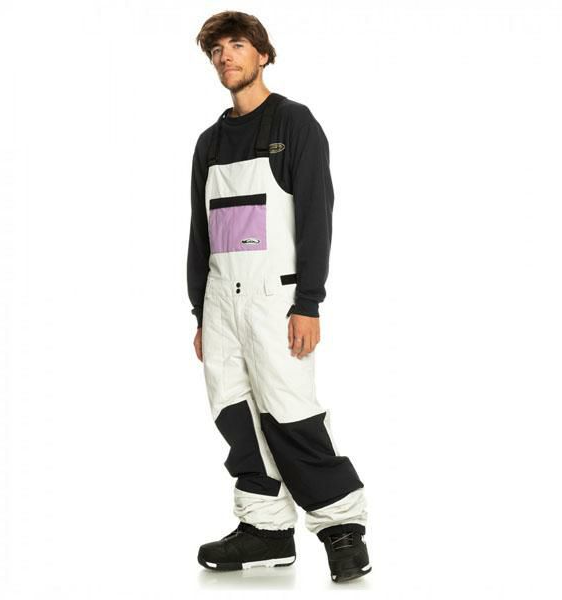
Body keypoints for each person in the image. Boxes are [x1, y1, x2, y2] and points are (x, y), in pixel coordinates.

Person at [187, 11, 371, 583]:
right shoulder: (208, 143)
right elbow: (200, 234)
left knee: (290, 414)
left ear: (262, 54)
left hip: (276, 298)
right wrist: (200, 313)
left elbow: (317, 216)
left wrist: (309, 302)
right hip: (220, 302)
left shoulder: (294, 124)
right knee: (234, 414)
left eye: (237, 45)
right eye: (216, 50)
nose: (226, 57)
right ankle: (265, 530)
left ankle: (342, 528)